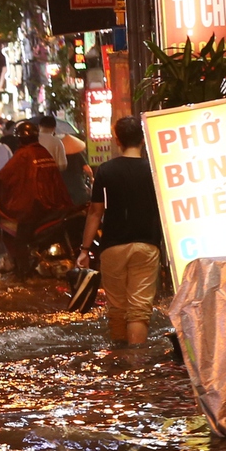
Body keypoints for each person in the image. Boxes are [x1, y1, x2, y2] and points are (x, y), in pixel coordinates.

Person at [76, 116, 165, 344]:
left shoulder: (106, 170)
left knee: (117, 309)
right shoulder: (155, 171)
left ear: (117, 140)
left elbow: (95, 213)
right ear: (143, 139)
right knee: (139, 311)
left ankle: (119, 364)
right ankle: (136, 366)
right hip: (147, 245)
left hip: (113, 247)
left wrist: (85, 250)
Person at [0, 118, 73, 279]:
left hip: (34, 208)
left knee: (20, 241)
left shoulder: (23, 155)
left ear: (20, 138)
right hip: (56, 206)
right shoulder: (43, 152)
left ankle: (23, 275)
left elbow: (4, 176)